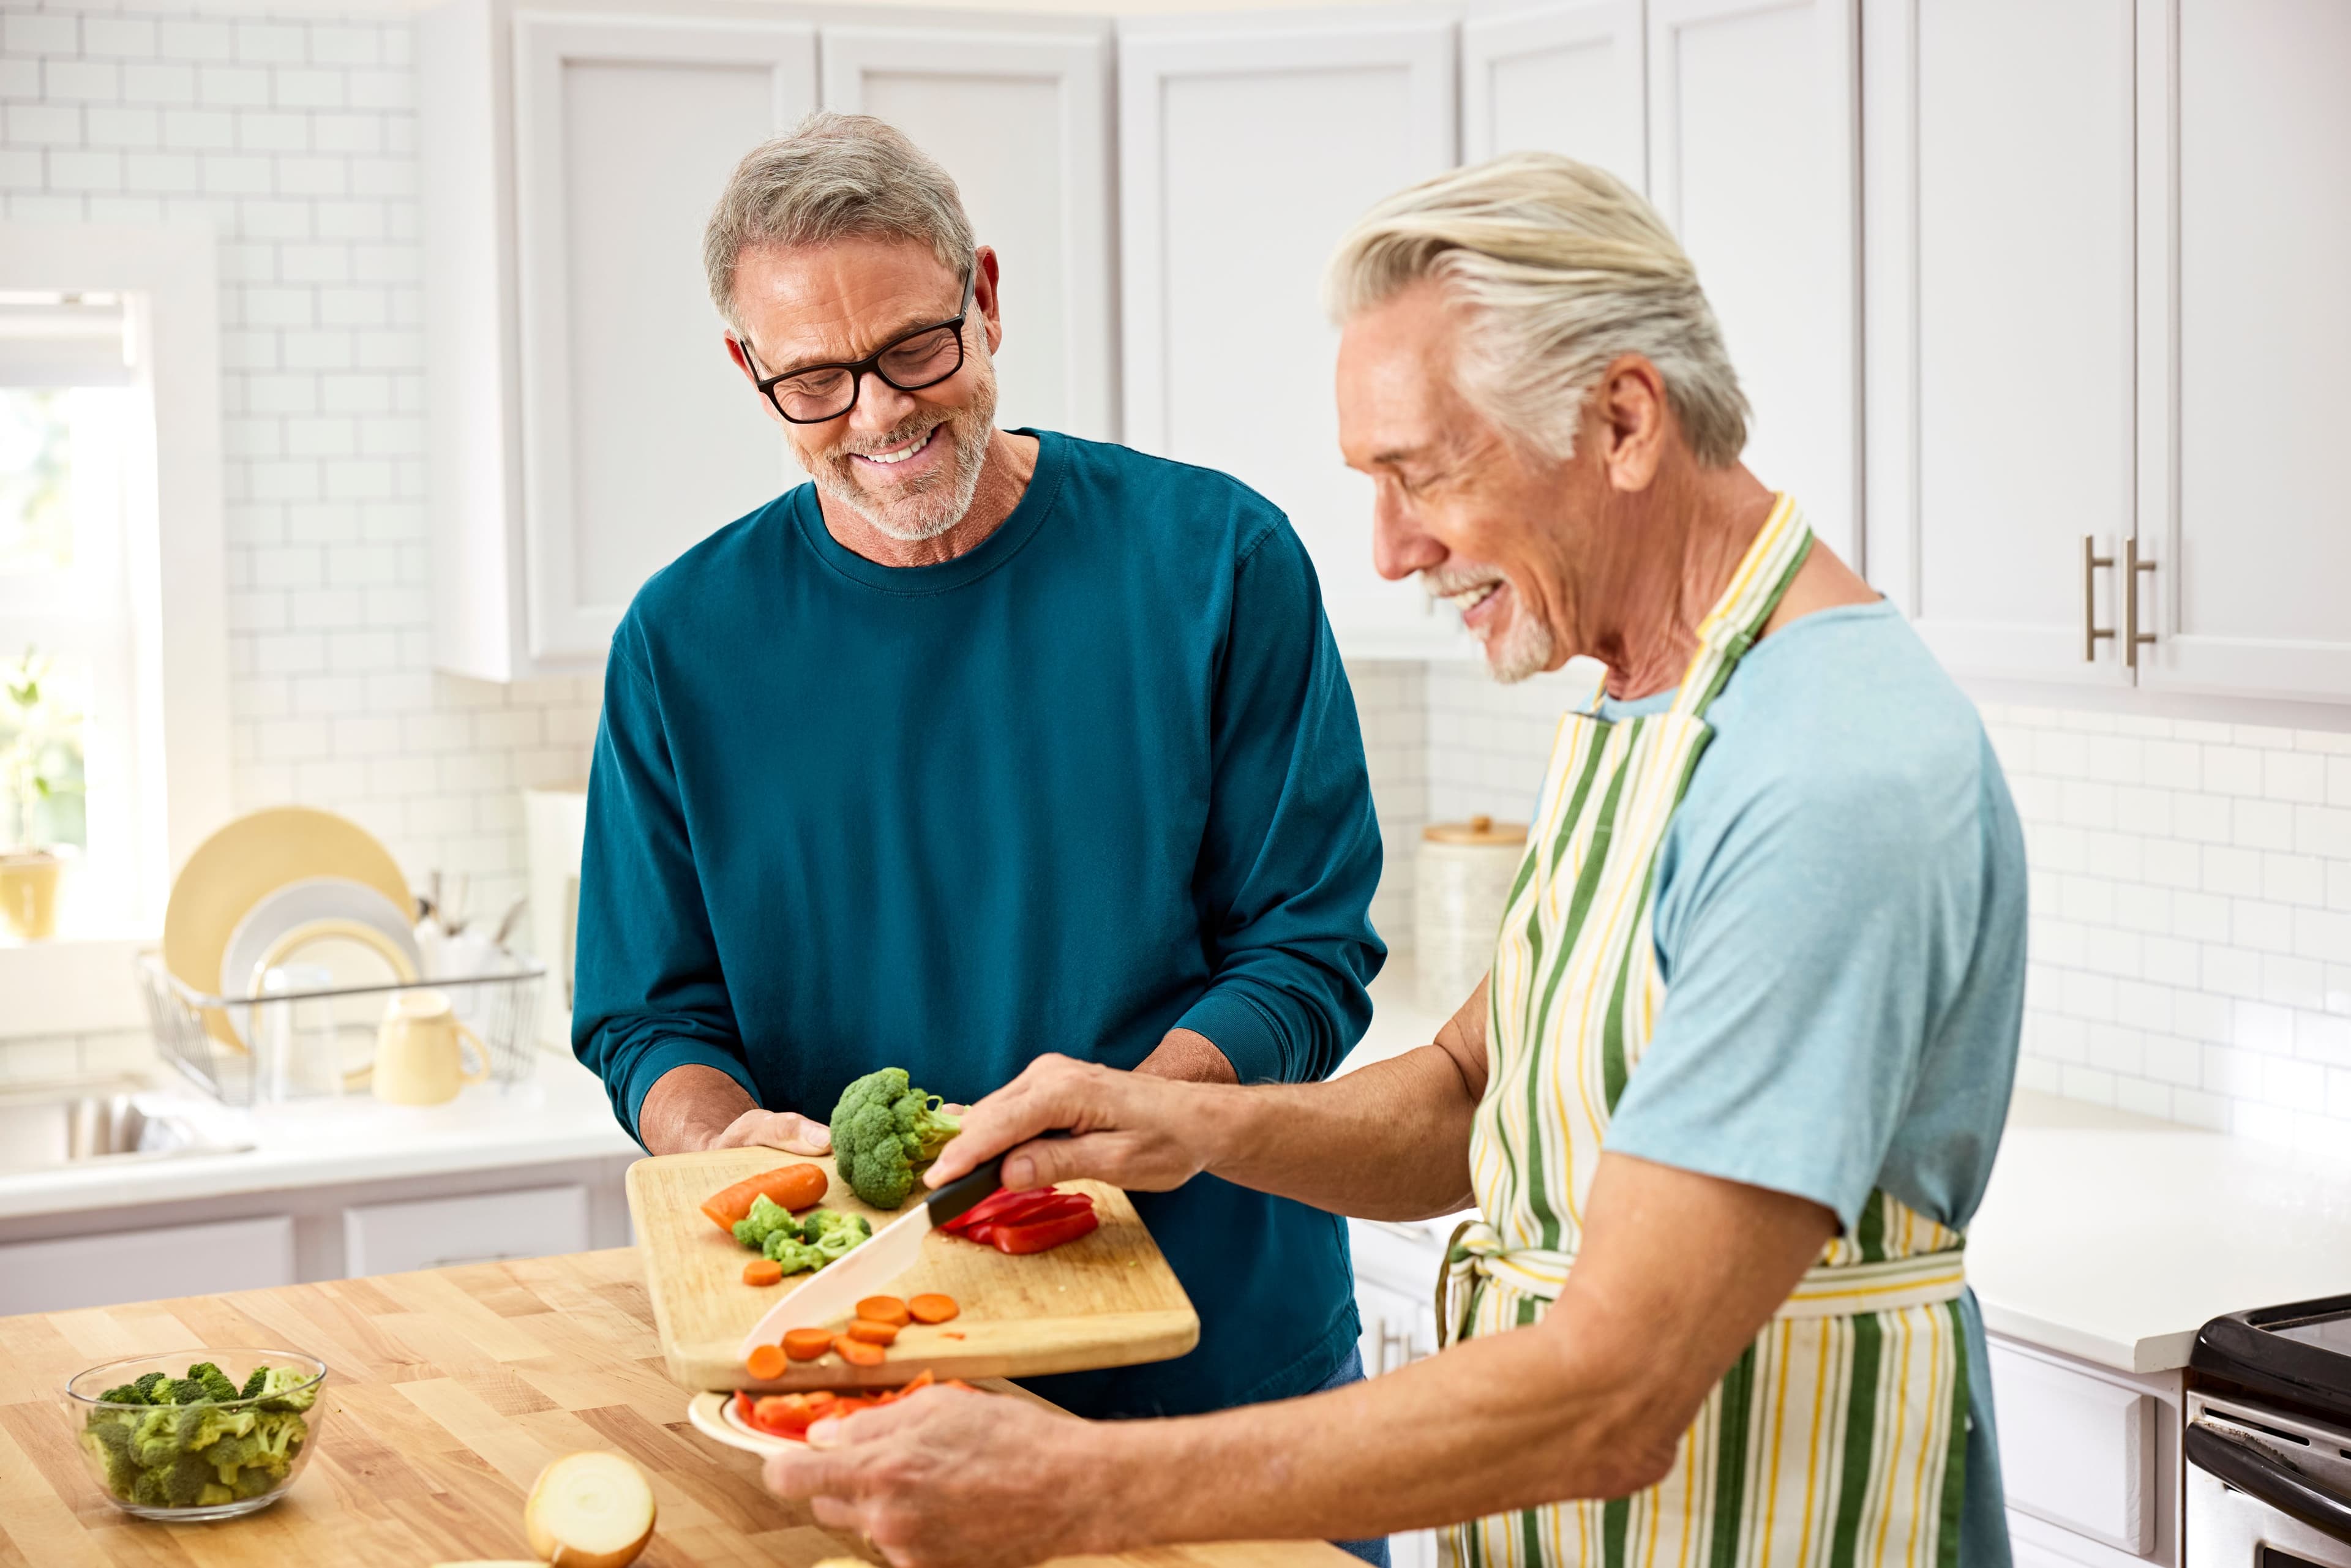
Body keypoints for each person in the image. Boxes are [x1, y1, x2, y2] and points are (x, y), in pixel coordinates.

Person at [762, 152, 2027, 1568]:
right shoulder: (1657, 704)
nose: (1388, 549)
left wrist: (1076, 1489)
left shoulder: (1827, 772)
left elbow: (1616, 1393)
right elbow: (1476, 1099)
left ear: (1622, 420)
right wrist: (1182, 1124)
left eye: (1421, 473)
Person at [569, 110, 1389, 1518]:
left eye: (913, 350)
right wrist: (719, 1143)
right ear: (751, 374)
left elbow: (1308, 949)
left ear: (986, 298)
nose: (878, 416)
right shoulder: (680, 642)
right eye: (815, 381)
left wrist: (1147, 1112)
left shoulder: (1217, 560)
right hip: (863, 1377)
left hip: (1220, 1379)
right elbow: (647, 1016)